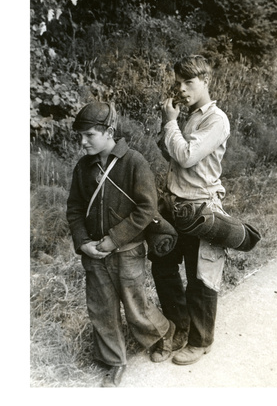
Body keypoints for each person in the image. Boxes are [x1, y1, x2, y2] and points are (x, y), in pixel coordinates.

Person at [66, 100, 175, 387]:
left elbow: (146, 209)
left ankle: (162, 334)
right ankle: (114, 361)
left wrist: (113, 240)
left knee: (136, 305)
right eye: (80, 135)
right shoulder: (83, 167)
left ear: (109, 131)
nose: (83, 141)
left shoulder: (134, 162)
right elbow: (75, 208)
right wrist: (83, 242)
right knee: (101, 309)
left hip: (127, 251)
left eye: (89, 135)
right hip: (94, 254)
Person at [149, 55, 232, 365]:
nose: (181, 88)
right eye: (179, 82)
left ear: (206, 81)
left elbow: (184, 155)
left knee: (201, 276)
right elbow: (170, 151)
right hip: (174, 203)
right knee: (163, 264)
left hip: (200, 206)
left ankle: (200, 340)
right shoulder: (191, 116)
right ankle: (178, 327)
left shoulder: (216, 119)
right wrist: (167, 122)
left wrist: (171, 123)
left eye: (189, 82)